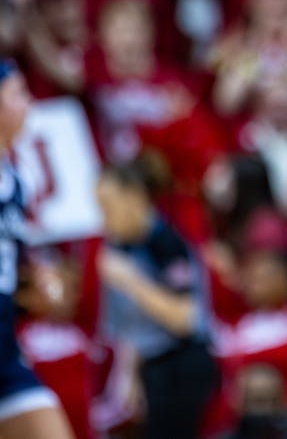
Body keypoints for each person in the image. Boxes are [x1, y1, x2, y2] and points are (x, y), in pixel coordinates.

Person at [0, 55, 74, 438]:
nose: (29, 104)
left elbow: (10, 269)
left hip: (2, 348)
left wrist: (38, 283)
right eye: (18, 94)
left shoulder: (18, 183)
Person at [96, 157, 219, 438]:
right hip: (150, 368)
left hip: (183, 364)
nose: (103, 217)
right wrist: (128, 376)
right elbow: (130, 328)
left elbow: (185, 318)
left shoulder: (167, 243)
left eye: (108, 205)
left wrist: (131, 280)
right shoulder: (119, 247)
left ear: (135, 197)